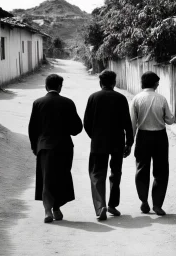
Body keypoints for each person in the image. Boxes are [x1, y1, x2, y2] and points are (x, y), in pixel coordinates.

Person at [28, 74, 83, 223]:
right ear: (60, 87)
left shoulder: (38, 103)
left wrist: (35, 146)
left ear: (46, 86)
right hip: (64, 147)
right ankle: (57, 208)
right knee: (61, 176)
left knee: (46, 178)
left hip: (44, 147)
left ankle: (47, 211)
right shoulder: (68, 103)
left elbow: (32, 128)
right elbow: (77, 128)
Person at [84, 70, 134, 221]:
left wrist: (95, 136)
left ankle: (101, 207)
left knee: (97, 174)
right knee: (115, 173)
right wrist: (129, 142)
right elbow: (127, 123)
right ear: (114, 83)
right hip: (117, 142)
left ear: (100, 83)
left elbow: (86, 123)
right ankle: (112, 205)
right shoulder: (121, 98)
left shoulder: (93, 97)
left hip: (99, 142)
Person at [130, 71, 174, 216]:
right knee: (161, 171)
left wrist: (129, 142)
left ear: (142, 83)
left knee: (142, 169)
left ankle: (143, 201)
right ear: (155, 84)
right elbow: (170, 120)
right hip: (160, 137)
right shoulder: (161, 99)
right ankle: (157, 205)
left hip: (142, 136)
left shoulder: (136, 99)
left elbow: (133, 124)